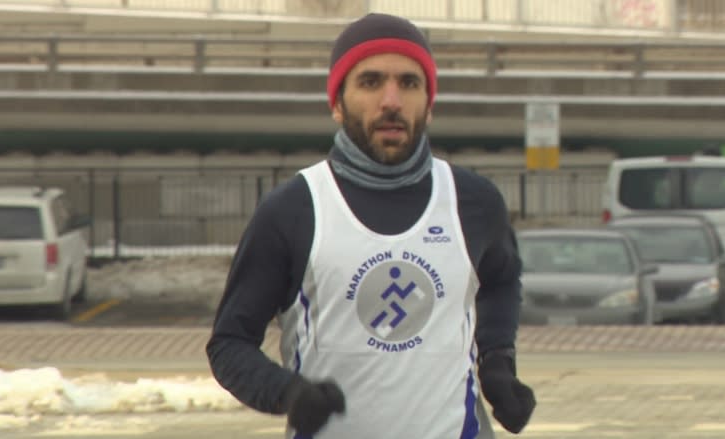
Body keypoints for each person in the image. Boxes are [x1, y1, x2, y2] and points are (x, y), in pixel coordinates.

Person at [206, 12, 535, 438]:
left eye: (409, 83)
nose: (392, 100)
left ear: (429, 104)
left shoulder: (474, 203)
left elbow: (500, 282)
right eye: (371, 81)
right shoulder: (294, 209)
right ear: (337, 104)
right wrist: (287, 393)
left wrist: (497, 363)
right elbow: (229, 343)